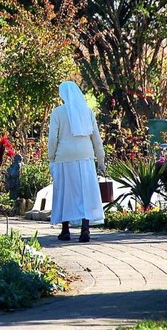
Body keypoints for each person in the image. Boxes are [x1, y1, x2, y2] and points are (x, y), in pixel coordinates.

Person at [47, 81, 106, 242]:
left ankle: (65, 230)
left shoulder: (57, 113)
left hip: (64, 158)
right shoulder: (87, 112)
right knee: (86, 192)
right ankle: (85, 229)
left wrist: (51, 157)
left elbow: (53, 139)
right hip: (85, 157)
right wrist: (101, 161)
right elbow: (97, 140)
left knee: (65, 193)